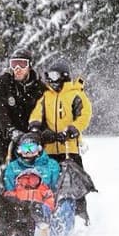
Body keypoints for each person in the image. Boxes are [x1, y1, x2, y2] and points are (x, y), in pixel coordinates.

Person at [28, 59, 92, 224]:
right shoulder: (46, 96)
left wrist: (73, 128)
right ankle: (49, 215)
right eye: (48, 76)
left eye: (54, 75)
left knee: (74, 181)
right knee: (49, 181)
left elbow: (84, 115)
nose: (51, 79)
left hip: (69, 147)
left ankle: (80, 214)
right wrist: (35, 127)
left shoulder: (75, 94)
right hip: (50, 149)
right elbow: (37, 113)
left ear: (63, 76)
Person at [3, 133, 75, 236]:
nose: (28, 152)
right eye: (24, 149)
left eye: (31, 148)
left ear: (39, 148)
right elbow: (9, 188)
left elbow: (56, 187)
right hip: (19, 204)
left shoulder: (51, 165)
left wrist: (49, 203)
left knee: (66, 203)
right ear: (19, 150)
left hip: (43, 201)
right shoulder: (13, 167)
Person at [0, 48, 45, 168]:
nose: (17, 68)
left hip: (31, 138)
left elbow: (44, 112)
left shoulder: (39, 88)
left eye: (22, 64)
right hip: (6, 139)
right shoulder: (1, 85)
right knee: (11, 173)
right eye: (14, 64)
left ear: (30, 66)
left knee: (33, 174)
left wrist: (37, 132)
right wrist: (11, 131)